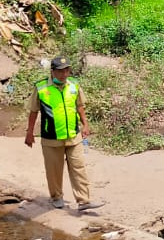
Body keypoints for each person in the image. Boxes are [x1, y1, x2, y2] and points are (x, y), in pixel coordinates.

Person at [25, 56, 106, 211]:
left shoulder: (74, 85)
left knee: (79, 167)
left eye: (66, 70)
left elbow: (79, 106)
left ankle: (84, 200)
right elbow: (33, 111)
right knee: (54, 170)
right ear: (52, 72)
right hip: (51, 138)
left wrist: (85, 125)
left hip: (73, 135)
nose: (64, 74)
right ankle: (56, 197)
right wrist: (29, 133)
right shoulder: (41, 88)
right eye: (60, 71)